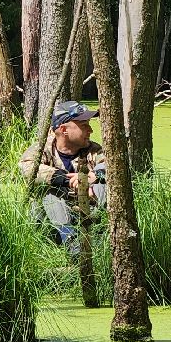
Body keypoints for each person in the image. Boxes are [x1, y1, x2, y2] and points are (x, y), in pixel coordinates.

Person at [20, 100, 106, 245]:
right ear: (64, 130)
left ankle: (99, 238)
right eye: (84, 125)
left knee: (106, 183)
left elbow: (111, 167)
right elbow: (27, 168)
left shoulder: (94, 150)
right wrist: (67, 180)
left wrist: (95, 178)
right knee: (48, 192)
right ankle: (71, 244)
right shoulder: (43, 148)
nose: (90, 130)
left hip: (87, 214)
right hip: (52, 221)